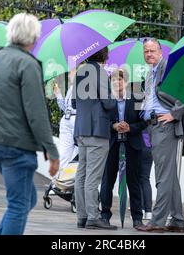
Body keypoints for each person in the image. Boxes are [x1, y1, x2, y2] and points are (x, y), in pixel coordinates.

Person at [0, 13, 59, 235]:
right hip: (16, 146)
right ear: (34, 38)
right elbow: (36, 113)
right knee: (18, 205)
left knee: (27, 199)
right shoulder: (27, 64)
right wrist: (51, 151)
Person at [136, 38, 184, 233]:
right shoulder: (150, 73)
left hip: (164, 125)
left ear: (160, 51)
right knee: (169, 175)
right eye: (146, 51)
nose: (149, 54)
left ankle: (157, 221)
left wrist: (174, 114)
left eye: (152, 51)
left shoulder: (167, 67)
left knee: (162, 176)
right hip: (154, 126)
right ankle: (178, 221)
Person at [72, 47, 117, 230]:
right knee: (92, 176)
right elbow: (109, 103)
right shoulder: (100, 73)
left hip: (81, 130)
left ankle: (82, 216)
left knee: (81, 174)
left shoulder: (80, 72)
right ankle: (93, 216)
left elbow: (74, 103)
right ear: (104, 55)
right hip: (97, 130)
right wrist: (114, 95)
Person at [99, 68, 146, 229]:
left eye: (120, 80)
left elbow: (145, 122)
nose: (117, 83)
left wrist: (130, 128)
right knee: (107, 181)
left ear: (126, 82)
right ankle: (104, 215)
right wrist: (113, 125)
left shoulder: (137, 97)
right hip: (112, 143)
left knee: (134, 182)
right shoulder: (107, 100)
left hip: (132, 143)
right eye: (113, 80)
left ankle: (137, 218)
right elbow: (102, 120)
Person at [53, 69, 78, 169]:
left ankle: (70, 181)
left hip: (77, 121)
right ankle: (59, 181)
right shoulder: (71, 88)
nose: (68, 76)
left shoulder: (83, 89)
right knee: (64, 154)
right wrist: (58, 94)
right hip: (66, 121)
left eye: (71, 73)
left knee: (78, 154)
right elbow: (66, 108)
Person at [139, 130, 153, 221]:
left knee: (137, 180)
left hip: (139, 146)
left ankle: (141, 209)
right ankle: (148, 211)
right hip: (149, 148)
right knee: (145, 179)